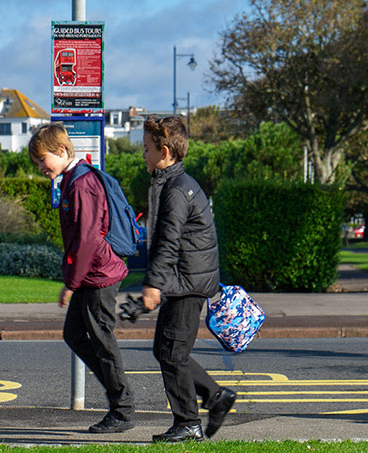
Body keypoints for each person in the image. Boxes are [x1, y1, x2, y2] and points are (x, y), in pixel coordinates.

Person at [28, 123, 136, 433]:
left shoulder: (82, 183)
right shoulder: (73, 179)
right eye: (35, 162)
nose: (39, 167)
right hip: (91, 273)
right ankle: (121, 395)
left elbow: (88, 237)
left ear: (62, 151)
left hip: (98, 275)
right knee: (75, 335)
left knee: (102, 341)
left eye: (42, 159)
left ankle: (123, 408)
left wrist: (71, 283)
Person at [140, 116, 236, 443]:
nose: (143, 155)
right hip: (185, 280)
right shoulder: (177, 183)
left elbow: (168, 240)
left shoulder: (177, 190)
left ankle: (188, 423)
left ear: (164, 151)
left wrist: (153, 283)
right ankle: (214, 397)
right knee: (165, 350)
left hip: (187, 283)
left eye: (147, 149)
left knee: (172, 354)